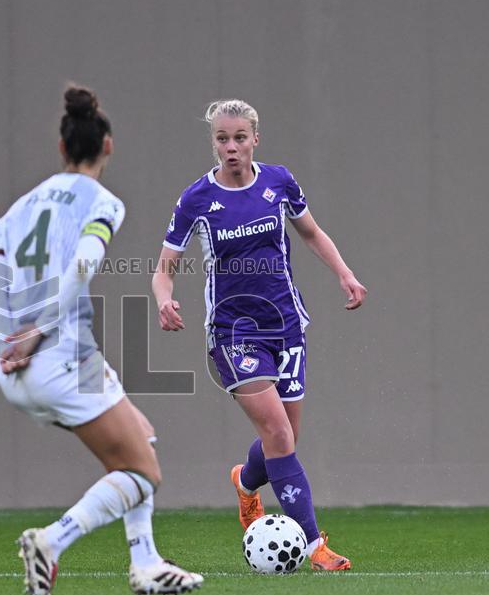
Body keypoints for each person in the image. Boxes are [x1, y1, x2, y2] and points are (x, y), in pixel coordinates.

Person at [0, 86, 203, 595]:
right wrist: (37, 332)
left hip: (16, 367)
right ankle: (49, 542)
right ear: (108, 145)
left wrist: (5, 346)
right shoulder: (103, 202)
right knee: (143, 473)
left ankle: (146, 564)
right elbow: (82, 267)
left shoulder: (17, 209)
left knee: (141, 440)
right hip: (62, 355)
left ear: (61, 149)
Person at [151, 99, 367, 571]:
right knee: (276, 432)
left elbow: (310, 233)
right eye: (222, 139)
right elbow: (165, 265)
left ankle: (247, 482)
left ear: (255, 139)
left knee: (286, 437)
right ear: (213, 143)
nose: (231, 147)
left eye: (239, 138)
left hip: (286, 324)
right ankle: (315, 548)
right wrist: (163, 298)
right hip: (232, 333)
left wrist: (345, 274)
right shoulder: (197, 200)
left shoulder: (278, 182)